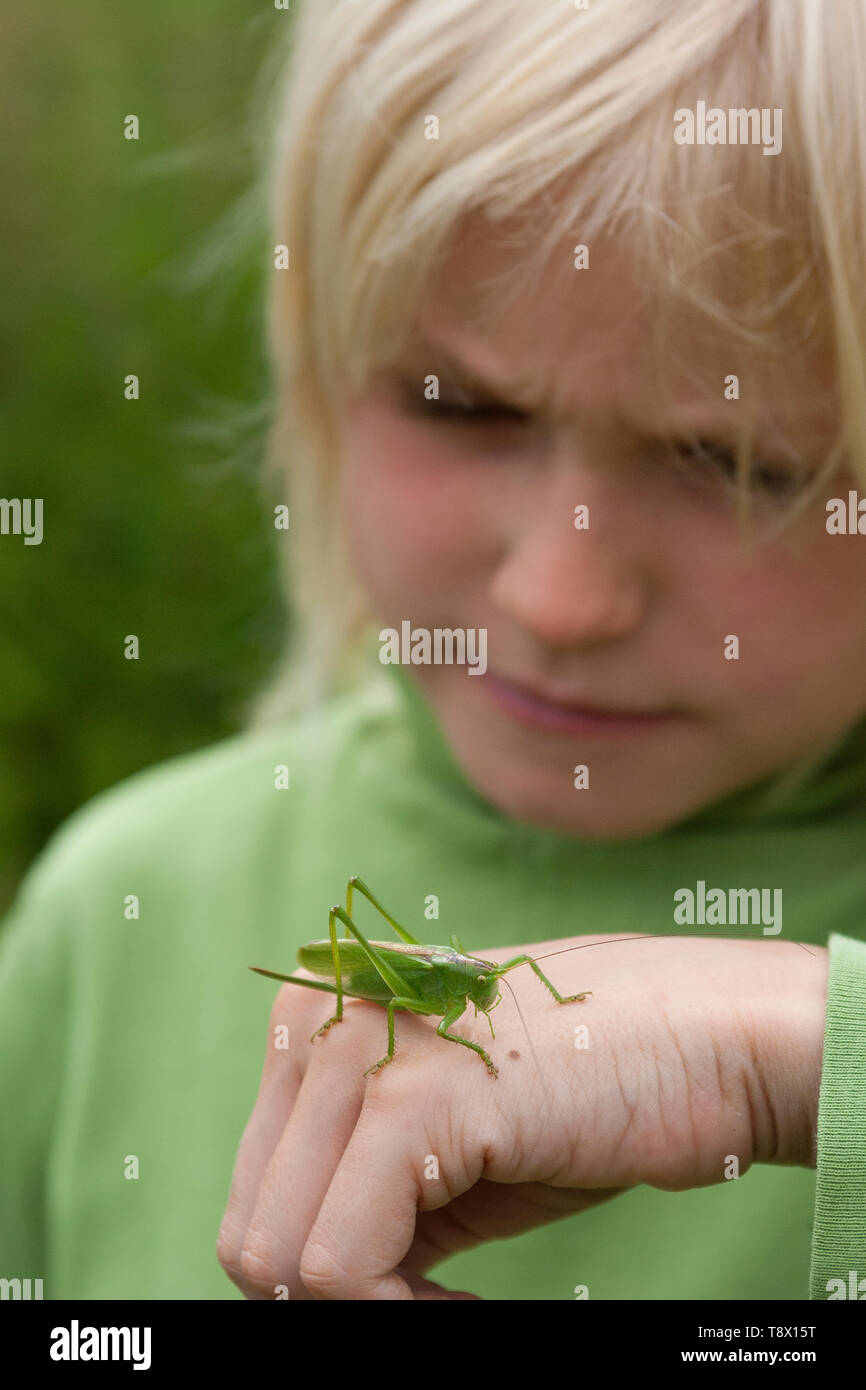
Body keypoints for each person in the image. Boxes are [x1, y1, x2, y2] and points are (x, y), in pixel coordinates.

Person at [3, 0, 866, 1301]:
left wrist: (808, 1060)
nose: (559, 595)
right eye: (462, 405)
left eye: (737, 461)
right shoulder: (114, 908)